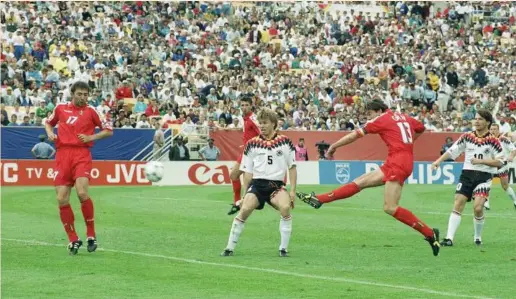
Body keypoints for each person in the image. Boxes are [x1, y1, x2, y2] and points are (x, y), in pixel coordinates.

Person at [297, 100, 441, 256]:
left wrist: (333, 147)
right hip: (399, 159)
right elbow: (421, 127)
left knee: (390, 207)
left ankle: (429, 233)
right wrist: (408, 143)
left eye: (370, 114)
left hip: (398, 162)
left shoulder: (381, 119)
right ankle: (319, 200)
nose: (369, 118)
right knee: (360, 182)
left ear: (378, 110)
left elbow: (355, 135)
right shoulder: (402, 116)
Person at [45, 81, 113, 255]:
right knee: (61, 198)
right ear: (72, 94)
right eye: (80, 94)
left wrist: (91, 137)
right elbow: (48, 122)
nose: (83, 97)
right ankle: (73, 239)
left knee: (82, 192)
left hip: (81, 154)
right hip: (62, 155)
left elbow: (108, 131)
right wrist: (50, 133)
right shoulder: (60, 108)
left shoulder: (91, 111)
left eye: (85, 94)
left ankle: (91, 234)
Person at [221, 108, 297, 257]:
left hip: (276, 185)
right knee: (244, 210)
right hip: (257, 185)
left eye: (265, 123)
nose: (261, 126)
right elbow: (248, 172)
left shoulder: (285, 142)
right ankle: (229, 248)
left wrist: (293, 191)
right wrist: (244, 195)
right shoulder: (252, 144)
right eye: (260, 123)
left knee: (285, 207)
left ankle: (283, 249)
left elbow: (292, 168)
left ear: (273, 124)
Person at [432, 110, 503, 247]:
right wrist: (438, 161)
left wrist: (482, 161)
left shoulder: (494, 141)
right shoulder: (467, 136)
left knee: (477, 208)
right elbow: (452, 151)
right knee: (458, 203)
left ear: (487, 122)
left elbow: (500, 162)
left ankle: (477, 237)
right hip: (467, 174)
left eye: (480, 119)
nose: (476, 121)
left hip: (484, 177)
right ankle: (449, 238)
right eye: (475, 119)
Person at [227, 96, 261, 215]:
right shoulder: (245, 118)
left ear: (251, 105)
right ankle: (237, 202)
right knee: (233, 175)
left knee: (247, 183)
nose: (244, 107)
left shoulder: (253, 118)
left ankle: (245, 204)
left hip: (252, 154)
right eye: (242, 105)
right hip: (245, 152)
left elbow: (262, 133)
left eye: (246, 105)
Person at [483, 124, 516, 210]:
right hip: (491, 164)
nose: (492, 131)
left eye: (494, 129)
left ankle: (515, 201)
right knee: (486, 183)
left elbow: (513, 149)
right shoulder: (488, 140)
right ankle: (486, 203)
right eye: (491, 129)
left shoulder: (503, 139)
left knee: (505, 186)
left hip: (502, 165)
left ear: (498, 130)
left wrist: (511, 157)